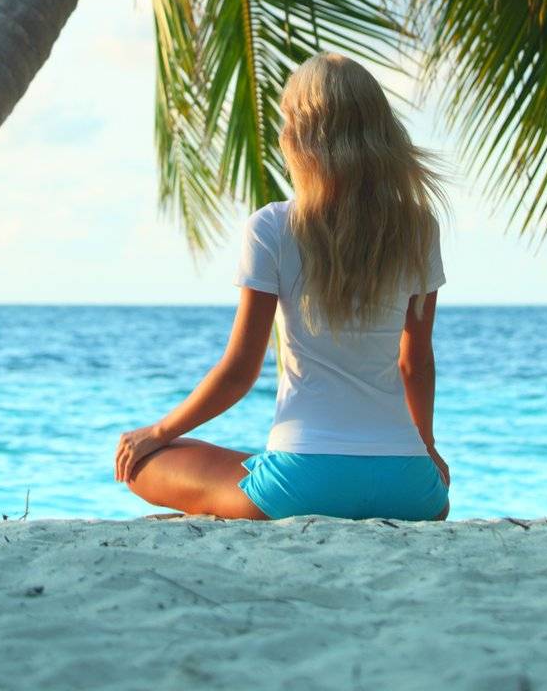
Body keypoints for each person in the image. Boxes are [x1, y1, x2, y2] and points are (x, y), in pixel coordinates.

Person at [115, 51, 453, 521]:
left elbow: (240, 372)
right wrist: (427, 450)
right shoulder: (418, 226)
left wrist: (158, 430)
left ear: (301, 134)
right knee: (239, 460)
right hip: (413, 491)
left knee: (146, 462)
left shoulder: (273, 227)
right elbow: (414, 361)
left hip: (301, 486)